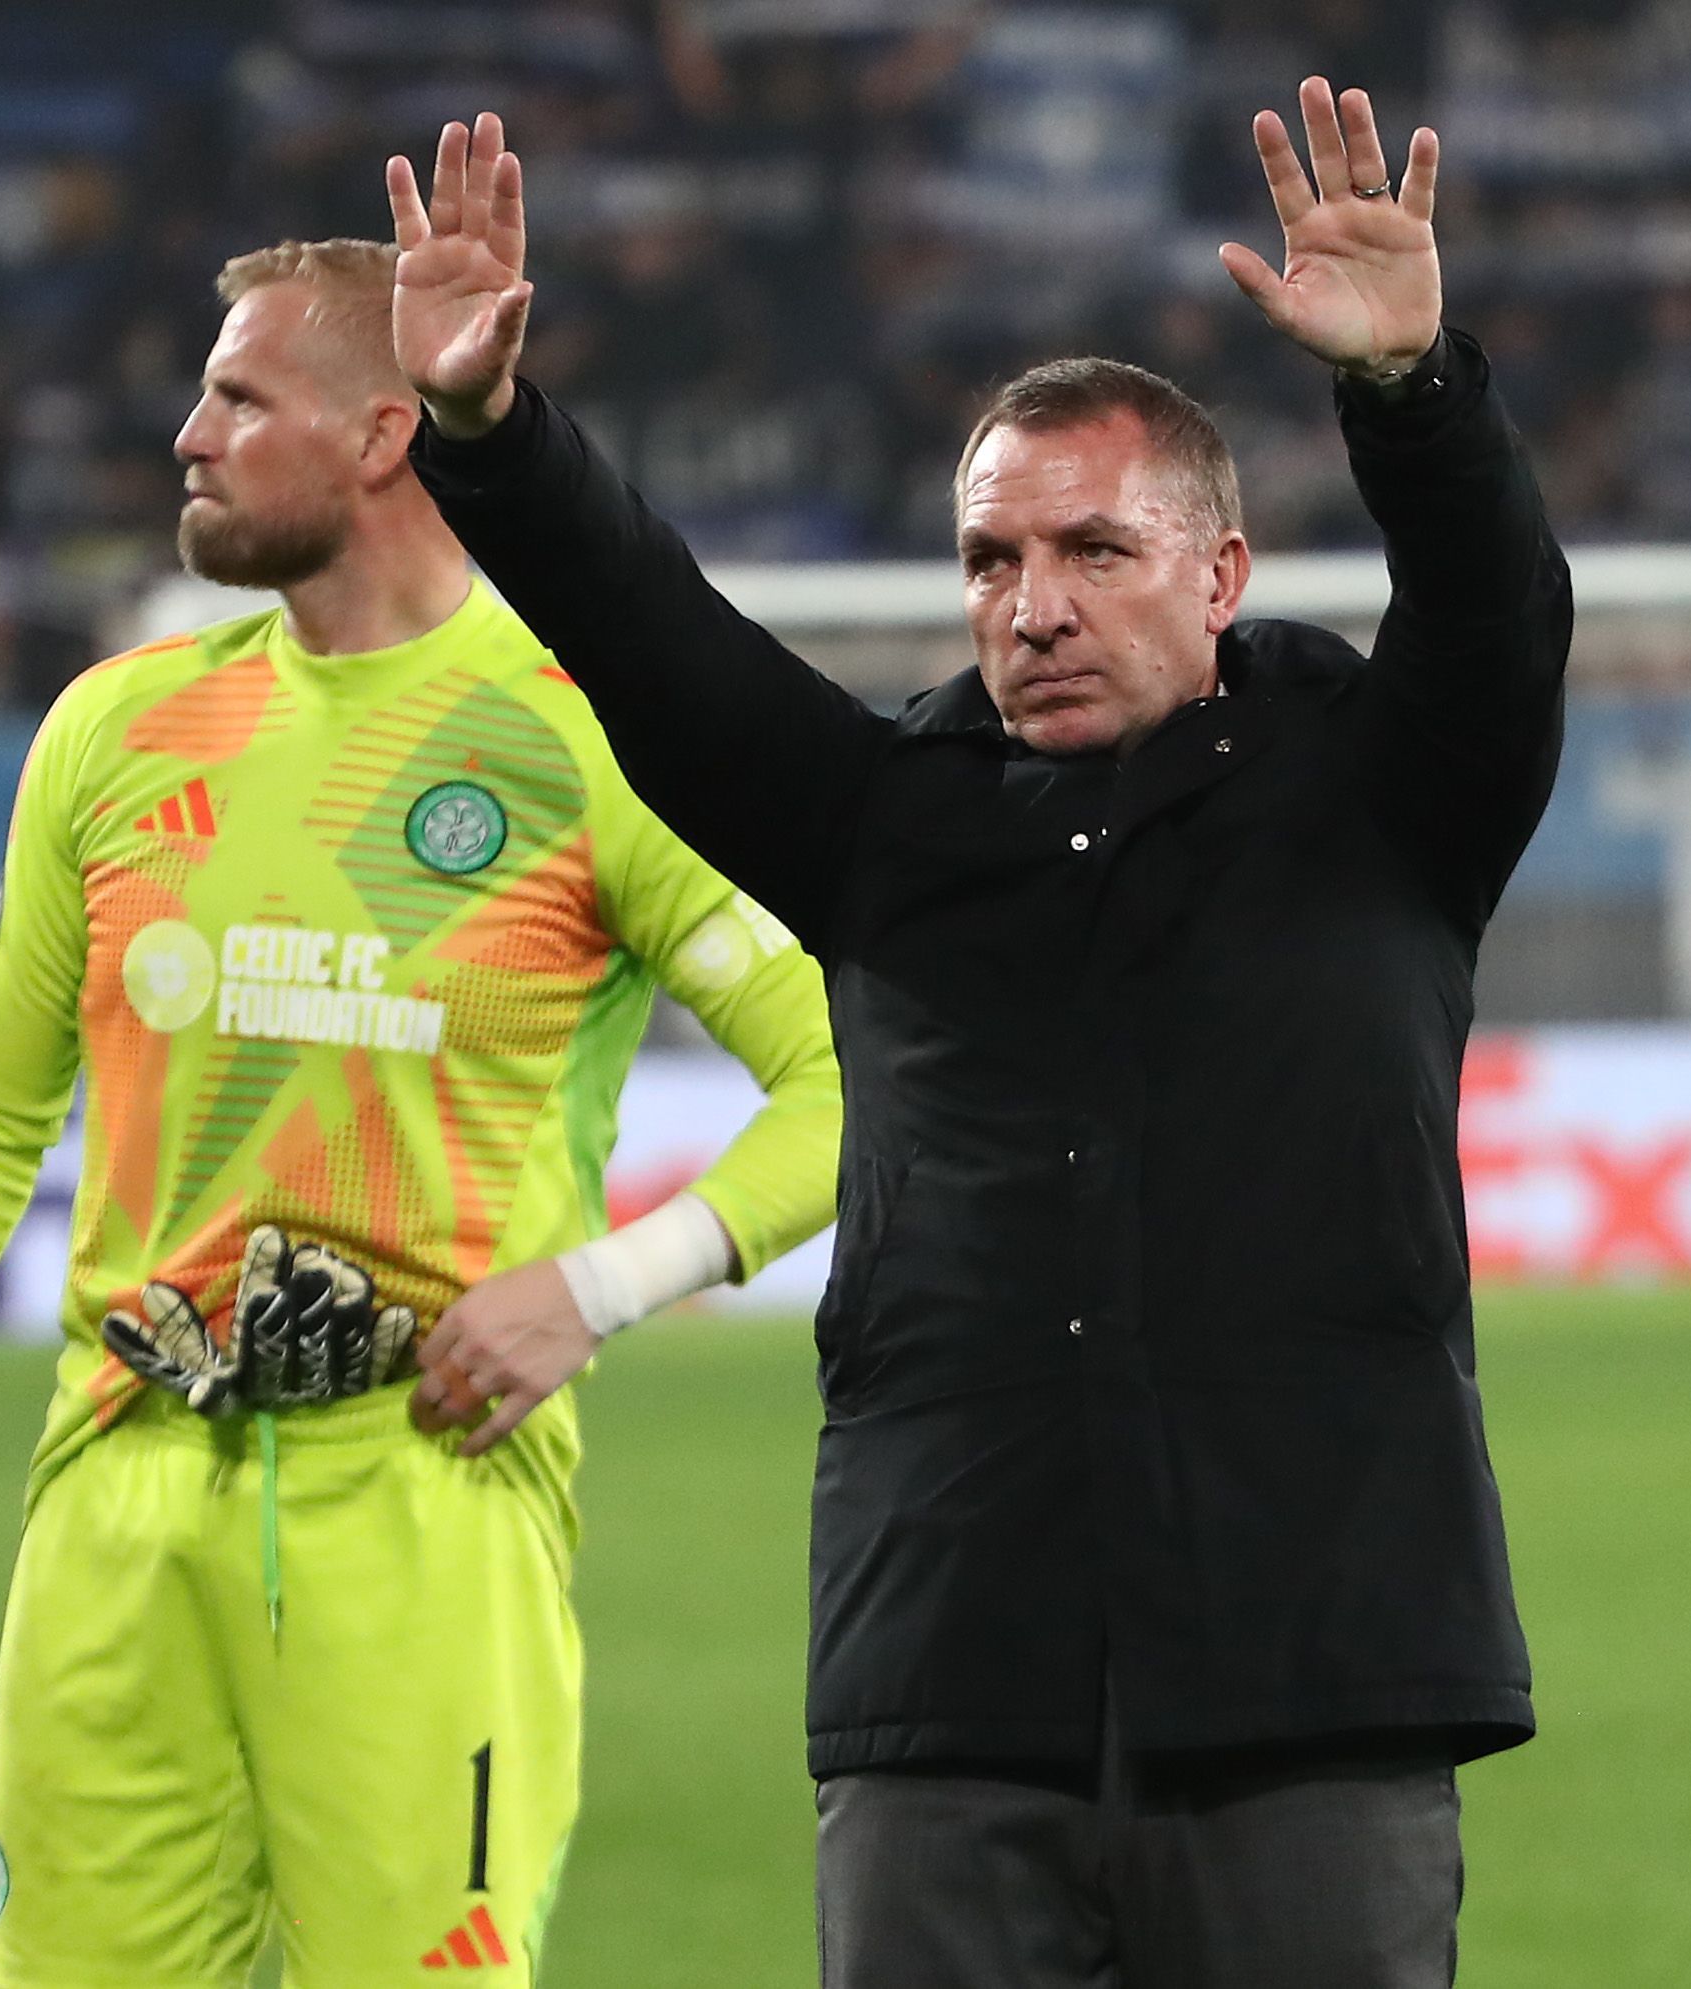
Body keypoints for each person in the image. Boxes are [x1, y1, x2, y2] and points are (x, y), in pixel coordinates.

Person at [386, 73, 1571, 1987]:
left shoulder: (1387, 799)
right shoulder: (883, 830)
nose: (1031, 608)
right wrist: (487, 431)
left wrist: (1417, 392)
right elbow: (650, 633)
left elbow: (1501, 613)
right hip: (951, 1699)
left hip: (1309, 1686)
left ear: (1221, 574)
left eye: (1094, 552)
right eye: (993, 561)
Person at [0, 237, 840, 1988]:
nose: (187, 433)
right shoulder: (119, 730)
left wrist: (606, 1286)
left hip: (421, 1491)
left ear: (385, 435)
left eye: (239, 397)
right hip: (113, 1492)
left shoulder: (588, 738)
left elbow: (853, 1078)